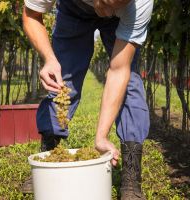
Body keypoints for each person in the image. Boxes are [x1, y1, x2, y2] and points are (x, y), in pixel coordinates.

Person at [22, 0, 153, 199]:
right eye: (106, 4)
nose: (108, 12)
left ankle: (131, 177)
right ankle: (48, 154)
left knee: (130, 85)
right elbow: (31, 15)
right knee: (63, 79)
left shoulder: (141, 3)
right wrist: (49, 58)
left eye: (115, 7)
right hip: (73, 9)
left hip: (124, 17)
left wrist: (101, 136)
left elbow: (119, 70)